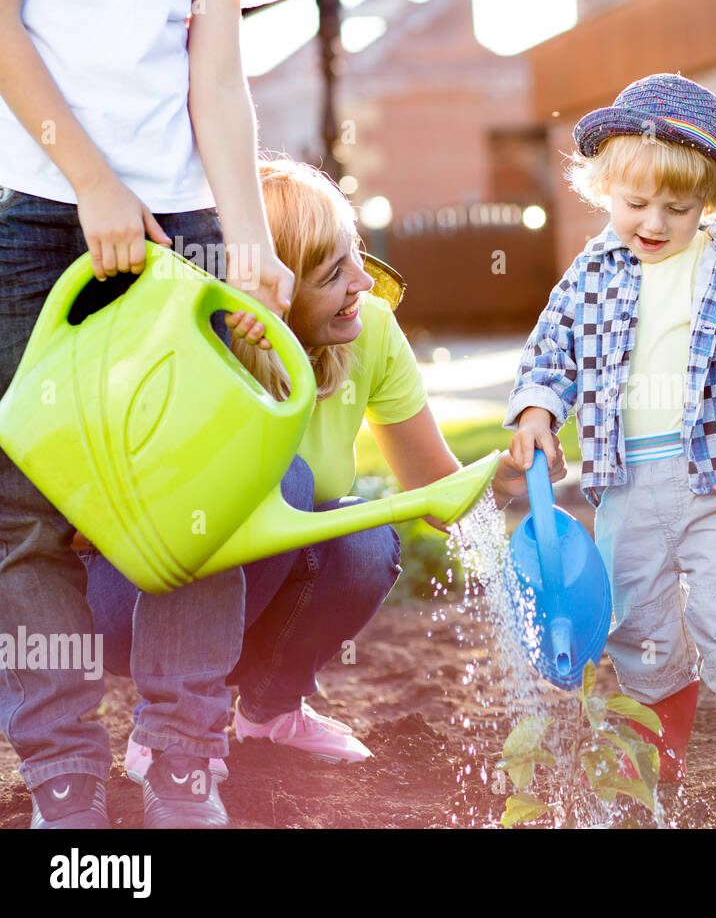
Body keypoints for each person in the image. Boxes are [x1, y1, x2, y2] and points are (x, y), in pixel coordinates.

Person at [83, 159, 561, 780]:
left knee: (364, 539)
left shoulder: (371, 334)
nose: (364, 280)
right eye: (334, 272)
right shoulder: (196, 346)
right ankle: (171, 725)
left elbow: (431, 487)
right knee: (285, 481)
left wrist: (504, 479)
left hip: (250, 589)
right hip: (130, 602)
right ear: (272, 288)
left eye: (355, 252)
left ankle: (269, 712)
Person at [0, 0, 297, 828]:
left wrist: (249, 240)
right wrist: (95, 184)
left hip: (183, 226)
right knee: (24, 516)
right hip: (37, 209)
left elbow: (216, 71)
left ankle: (182, 764)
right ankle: (64, 774)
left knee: (199, 506)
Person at [505, 73, 716, 804]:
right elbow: (553, 351)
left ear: (709, 203)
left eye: (679, 207)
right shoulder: (590, 274)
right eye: (636, 204)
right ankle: (659, 758)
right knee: (638, 624)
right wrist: (539, 410)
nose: (655, 222)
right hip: (626, 483)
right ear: (605, 187)